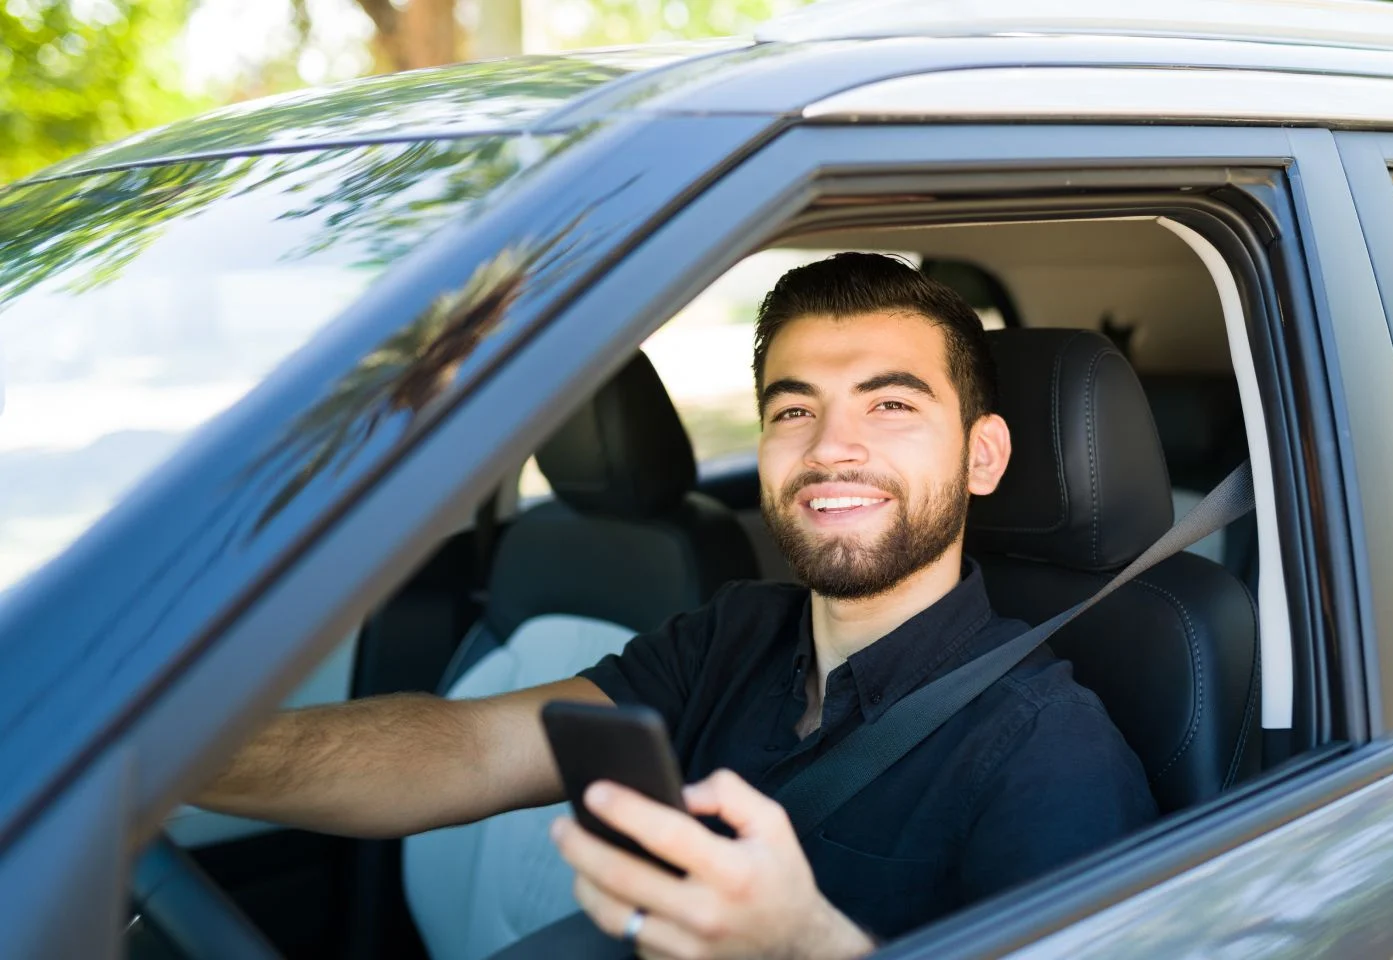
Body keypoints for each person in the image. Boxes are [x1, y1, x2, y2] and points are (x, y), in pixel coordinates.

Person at [195, 252, 1156, 959]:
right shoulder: (734, 634)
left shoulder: (1048, 750)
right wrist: (163, 760)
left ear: (982, 457)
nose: (831, 447)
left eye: (890, 405)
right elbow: (471, 748)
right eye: (793, 410)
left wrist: (805, 947)